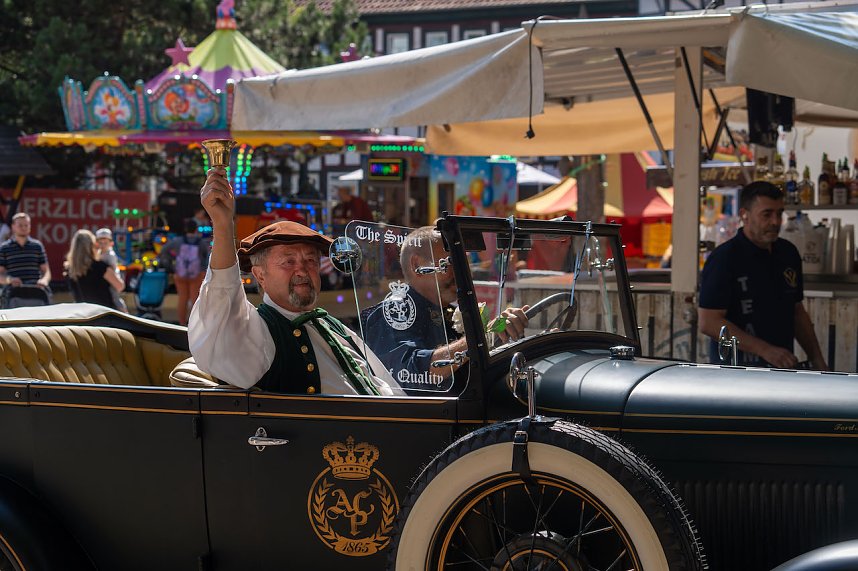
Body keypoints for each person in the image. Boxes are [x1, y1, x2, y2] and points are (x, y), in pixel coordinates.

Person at [188, 167, 403, 395]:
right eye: (288, 262)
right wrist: (223, 225)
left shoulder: (335, 328)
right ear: (260, 275)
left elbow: (391, 390)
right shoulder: (258, 333)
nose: (302, 269)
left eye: (310, 260)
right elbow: (222, 299)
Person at [363, 225, 529, 388]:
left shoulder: (448, 312)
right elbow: (408, 373)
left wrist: (503, 332)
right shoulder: (393, 312)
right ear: (417, 265)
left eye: (463, 264)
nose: (460, 272)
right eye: (450, 262)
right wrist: (481, 337)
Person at [698, 181, 827, 370]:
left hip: (781, 369)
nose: (775, 222)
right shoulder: (725, 258)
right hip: (735, 373)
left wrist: (817, 359)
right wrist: (765, 350)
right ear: (745, 215)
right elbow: (709, 322)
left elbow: (797, 311)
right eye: (767, 214)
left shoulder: (788, 253)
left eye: (779, 213)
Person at [159, 219, 210, 325]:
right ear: (196, 229)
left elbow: (164, 250)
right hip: (196, 274)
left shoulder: (178, 241)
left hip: (180, 273)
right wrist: (203, 270)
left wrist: (172, 264)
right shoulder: (201, 243)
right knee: (194, 299)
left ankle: (182, 323)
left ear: (185, 229)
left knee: (182, 299)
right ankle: (194, 324)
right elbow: (207, 256)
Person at [65, 229, 125, 309]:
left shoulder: (69, 269)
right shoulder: (100, 267)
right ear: (91, 246)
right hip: (103, 314)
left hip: (83, 314)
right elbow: (120, 286)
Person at [0, 212, 51, 292]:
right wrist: (10, 280)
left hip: (36, 292)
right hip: (13, 294)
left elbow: (46, 271)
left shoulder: (37, 246)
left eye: (26, 225)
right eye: (20, 225)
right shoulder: (4, 248)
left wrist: (44, 280)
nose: (24, 228)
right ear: (13, 227)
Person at [95, 228, 128, 313]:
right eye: (100, 242)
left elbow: (111, 270)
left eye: (105, 243)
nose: (102, 245)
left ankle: (124, 313)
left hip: (112, 282)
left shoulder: (110, 255)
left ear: (111, 243)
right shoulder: (99, 253)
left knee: (115, 298)